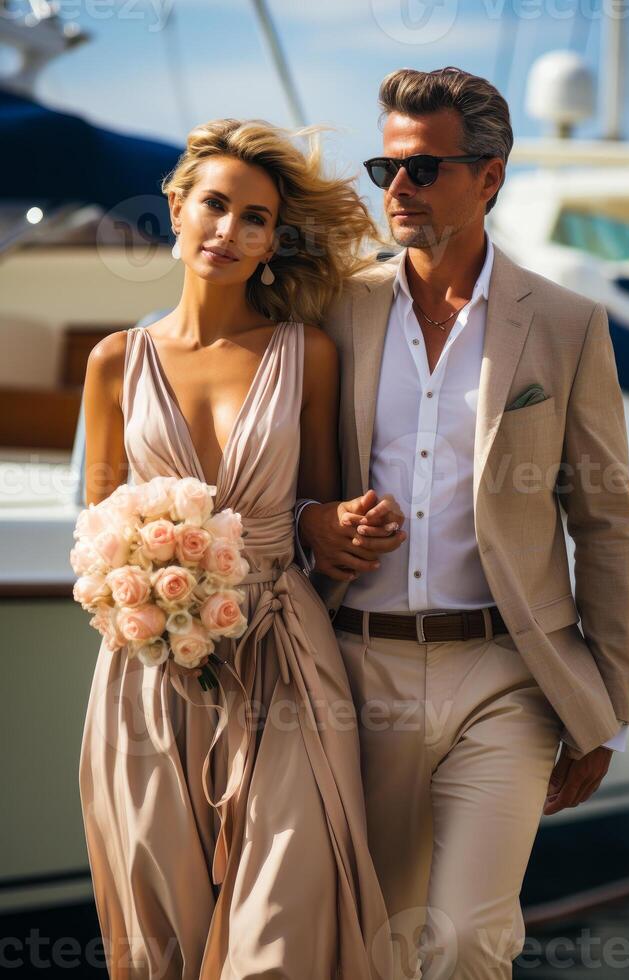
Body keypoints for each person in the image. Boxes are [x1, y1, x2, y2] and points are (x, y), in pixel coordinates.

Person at [296, 67, 629, 979]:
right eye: (386, 170)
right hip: (350, 670)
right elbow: (282, 477)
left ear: (488, 177)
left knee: (467, 942)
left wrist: (602, 710)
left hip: (505, 677)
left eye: (422, 170)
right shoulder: (335, 307)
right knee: (361, 942)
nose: (397, 191)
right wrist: (311, 521)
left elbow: (604, 519)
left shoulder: (566, 325)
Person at [78, 116, 401, 979]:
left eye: (253, 218)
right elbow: (97, 534)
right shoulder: (114, 361)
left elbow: (315, 514)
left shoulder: (310, 354)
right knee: (163, 935)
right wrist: (139, 592)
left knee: (280, 921)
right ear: (175, 209)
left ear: (271, 243)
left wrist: (337, 529)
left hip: (286, 658)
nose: (228, 231)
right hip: (148, 671)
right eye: (213, 206)